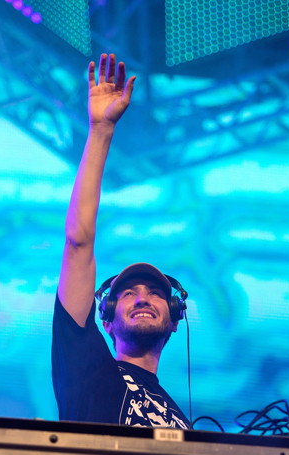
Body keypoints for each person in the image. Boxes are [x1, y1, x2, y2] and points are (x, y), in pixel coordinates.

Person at [51, 53, 190, 429]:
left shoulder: (182, 422)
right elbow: (78, 242)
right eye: (128, 293)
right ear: (107, 319)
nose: (143, 298)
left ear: (174, 318)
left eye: (155, 293)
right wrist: (101, 131)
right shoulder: (88, 369)